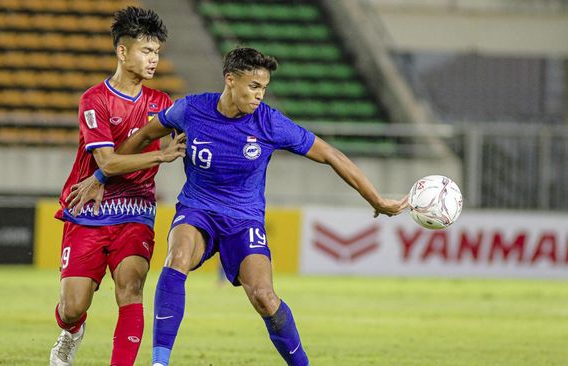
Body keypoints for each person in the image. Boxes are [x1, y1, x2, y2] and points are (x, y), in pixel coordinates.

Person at [68, 47, 408, 366]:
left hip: (244, 220)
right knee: (177, 258)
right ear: (230, 79)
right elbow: (143, 135)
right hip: (197, 209)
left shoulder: (269, 123)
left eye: (264, 88)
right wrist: (100, 175)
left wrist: (376, 199)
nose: (260, 94)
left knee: (263, 296)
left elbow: (331, 155)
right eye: (254, 86)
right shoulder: (191, 110)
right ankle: (160, 361)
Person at [48, 7, 186, 366]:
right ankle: (71, 331)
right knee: (73, 306)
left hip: (136, 210)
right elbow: (107, 162)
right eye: (146, 51)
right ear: (122, 52)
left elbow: (193, 139)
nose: (153, 59)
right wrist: (160, 157)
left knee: (132, 287)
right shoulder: (94, 100)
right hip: (88, 211)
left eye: (156, 52)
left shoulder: (161, 104)